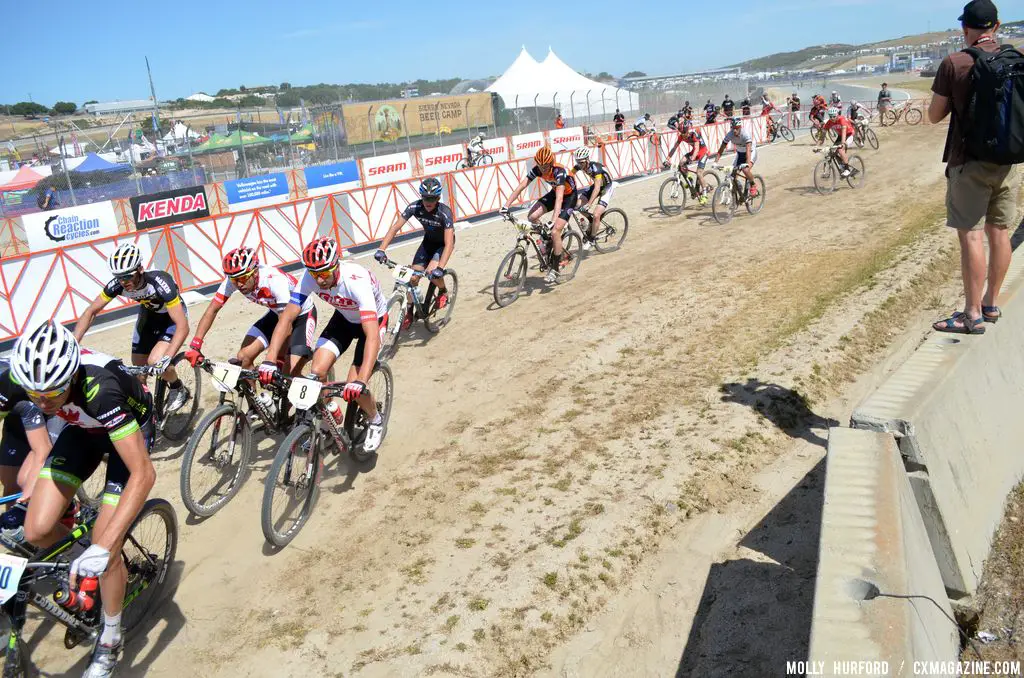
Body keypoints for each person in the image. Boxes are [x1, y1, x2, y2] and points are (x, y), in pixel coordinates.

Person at [3, 321, 157, 678]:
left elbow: (144, 474)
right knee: (37, 530)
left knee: (108, 545)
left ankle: (110, 638)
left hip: (129, 427)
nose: (42, 403)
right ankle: (84, 558)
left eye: (52, 395)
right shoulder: (27, 381)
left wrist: (104, 547)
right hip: (82, 429)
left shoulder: (99, 389)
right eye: (34, 394)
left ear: (71, 377)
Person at [929, 0, 1019, 334]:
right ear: (996, 26)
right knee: (1000, 232)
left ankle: (971, 314)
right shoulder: (1014, 59)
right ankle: (991, 303)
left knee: (971, 236)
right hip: (1008, 160)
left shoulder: (955, 62)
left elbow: (934, 115)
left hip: (968, 161)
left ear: (965, 29)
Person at [259, 238, 389, 451]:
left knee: (354, 385)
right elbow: (286, 318)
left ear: (336, 265)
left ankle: (375, 419)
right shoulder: (310, 276)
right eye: (314, 274)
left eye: (324, 274)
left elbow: (372, 334)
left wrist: (362, 381)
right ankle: (328, 422)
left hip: (373, 323)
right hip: (344, 320)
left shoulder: (356, 280)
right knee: (316, 372)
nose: (319, 280)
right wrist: (270, 359)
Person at [74, 243, 191, 413]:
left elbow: (182, 326)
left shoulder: (160, 282)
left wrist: (168, 356)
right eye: (119, 276)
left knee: (156, 362)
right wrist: (74, 343)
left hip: (171, 319)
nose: (123, 281)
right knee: (138, 374)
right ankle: (146, 412)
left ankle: (177, 387)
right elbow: (91, 311)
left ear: (140, 269)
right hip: (149, 317)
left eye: (128, 276)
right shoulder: (117, 285)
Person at [185, 247, 317, 383]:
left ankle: (319, 394)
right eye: (235, 280)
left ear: (254, 272)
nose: (239, 284)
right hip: (276, 314)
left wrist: (273, 359)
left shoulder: (274, 280)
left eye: (243, 278)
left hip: (301, 315)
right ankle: (255, 404)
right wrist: (196, 344)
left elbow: (286, 322)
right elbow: (212, 310)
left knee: (286, 374)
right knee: (243, 358)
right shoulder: (234, 280)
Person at [375, 177, 455, 325]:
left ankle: (443, 290)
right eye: (425, 198)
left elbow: (449, 243)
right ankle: (410, 311)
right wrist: (381, 249)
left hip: (442, 245)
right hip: (428, 243)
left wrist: (440, 267)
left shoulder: (445, 213)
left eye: (432, 198)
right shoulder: (414, 208)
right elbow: (395, 228)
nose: (428, 202)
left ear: (438, 198)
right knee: (412, 278)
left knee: (432, 273)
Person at [500, 146, 578, 283]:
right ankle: (546, 238)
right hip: (555, 193)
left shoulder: (559, 171)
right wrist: (506, 206)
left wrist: (553, 220)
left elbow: (560, 198)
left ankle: (555, 269)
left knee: (555, 232)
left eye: (546, 166)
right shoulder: (537, 169)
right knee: (532, 217)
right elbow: (521, 186)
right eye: (540, 166)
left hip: (569, 197)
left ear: (551, 163)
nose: (543, 169)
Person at [571, 146, 615, 250]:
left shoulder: (596, 169)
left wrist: (589, 204)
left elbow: (597, 188)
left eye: (581, 162)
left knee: (596, 215)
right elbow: (569, 175)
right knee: (577, 204)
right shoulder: (579, 166)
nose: (579, 165)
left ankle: (592, 239)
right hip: (597, 186)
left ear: (587, 160)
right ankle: (590, 221)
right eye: (578, 162)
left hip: (605, 188)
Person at [715, 117, 758, 198]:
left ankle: (753, 184)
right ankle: (736, 198)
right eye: (733, 128)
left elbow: (748, 150)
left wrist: (747, 164)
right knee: (733, 176)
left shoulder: (745, 134)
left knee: (745, 170)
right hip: (740, 154)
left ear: (740, 127)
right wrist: (715, 162)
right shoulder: (730, 134)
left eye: (737, 128)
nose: (735, 130)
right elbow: (721, 148)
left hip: (751, 152)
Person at [676, 119, 712, 205]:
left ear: (687, 130)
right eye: (681, 132)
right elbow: (674, 148)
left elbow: (696, 148)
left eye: (684, 132)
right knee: (681, 163)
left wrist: (692, 158)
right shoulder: (681, 136)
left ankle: (704, 194)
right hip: (695, 152)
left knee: (699, 173)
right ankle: (690, 179)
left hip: (703, 152)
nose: (682, 134)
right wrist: (667, 158)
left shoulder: (693, 134)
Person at [816, 107, 858, 177]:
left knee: (840, 150)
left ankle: (847, 169)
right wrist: (816, 146)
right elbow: (822, 136)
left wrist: (843, 143)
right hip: (840, 135)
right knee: (831, 152)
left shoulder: (841, 119)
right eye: (830, 116)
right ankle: (840, 166)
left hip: (849, 134)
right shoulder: (829, 122)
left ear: (837, 115)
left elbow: (844, 131)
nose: (832, 118)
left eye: (834, 116)